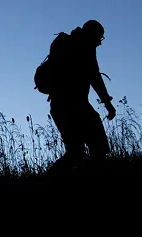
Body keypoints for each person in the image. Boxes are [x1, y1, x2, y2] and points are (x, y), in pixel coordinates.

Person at [46, 19, 116, 172]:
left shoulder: (65, 43)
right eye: (99, 38)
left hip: (61, 105)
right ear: (92, 35)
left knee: (76, 152)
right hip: (73, 106)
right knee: (92, 150)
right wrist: (108, 104)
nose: (100, 43)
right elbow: (95, 77)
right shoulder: (84, 48)